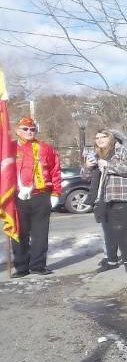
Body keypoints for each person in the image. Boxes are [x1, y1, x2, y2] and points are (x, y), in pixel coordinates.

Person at [11, 117, 62, 278]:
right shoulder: (8, 149)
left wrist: (56, 193)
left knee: (40, 233)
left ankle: (38, 265)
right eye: (25, 129)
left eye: (32, 129)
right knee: (19, 232)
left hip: (41, 195)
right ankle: (21, 267)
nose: (29, 132)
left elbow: (55, 171)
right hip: (17, 196)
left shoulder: (46, 148)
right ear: (17, 130)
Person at [83, 129, 127, 273]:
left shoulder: (122, 151)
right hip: (102, 197)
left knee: (122, 230)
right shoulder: (96, 155)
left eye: (103, 136)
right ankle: (112, 260)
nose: (100, 139)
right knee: (108, 232)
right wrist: (88, 167)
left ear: (112, 138)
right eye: (97, 137)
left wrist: (109, 166)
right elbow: (86, 177)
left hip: (122, 196)